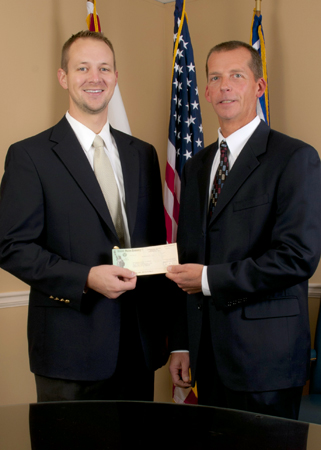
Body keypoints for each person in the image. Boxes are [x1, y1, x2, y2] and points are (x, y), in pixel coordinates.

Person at [0, 31, 168, 402]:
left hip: (138, 347)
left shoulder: (143, 154)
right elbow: (11, 246)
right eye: (83, 68)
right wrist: (85, 277)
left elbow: (154, 243)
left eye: (104, 68)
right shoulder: (30, 156)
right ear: (64, 77)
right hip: (69, 349)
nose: (96, 77)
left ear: (115, 77)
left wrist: (173, 338)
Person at [166, 40, 321, 419]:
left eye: (237, 75)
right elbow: (189, 256)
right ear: (205, 91)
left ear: (259, 86)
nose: (225, 87)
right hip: (207, 355)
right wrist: (182, 345)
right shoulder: (197, 165)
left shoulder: (295, 158)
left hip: (266, 359)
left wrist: (209, 280)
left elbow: (297, 257)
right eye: (215, 78)